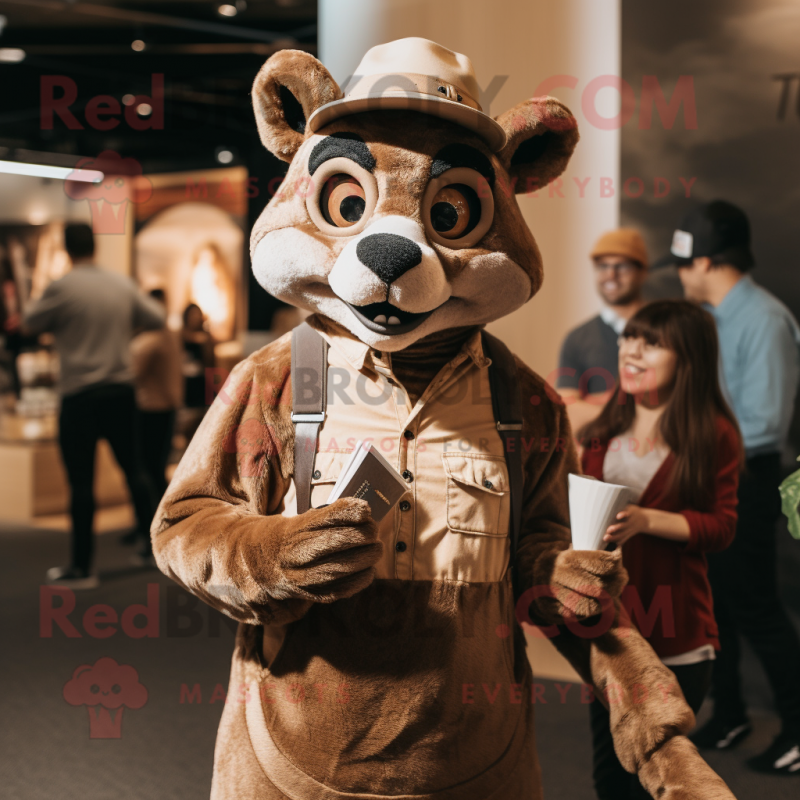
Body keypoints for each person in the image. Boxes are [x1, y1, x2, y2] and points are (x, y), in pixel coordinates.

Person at [579, 299, 742, 799]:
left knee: (664, 779)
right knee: (611, 778)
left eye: (651, 343)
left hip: (679, 638)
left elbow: (721, 527)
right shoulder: (606, 427)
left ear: (687, 358)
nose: (632, 350)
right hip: (613, 635)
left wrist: (649, 520)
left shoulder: (713, 433)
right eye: (630, 338)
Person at [659, 200, 800, 774]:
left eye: (685, 264)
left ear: (709, 262)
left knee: (759, 609)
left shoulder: (764, 320)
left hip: (747, 480)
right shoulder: (714, 318)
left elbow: (764, 422)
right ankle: (734, 712)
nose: (681, 275)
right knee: (717, 610)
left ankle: (797, 727)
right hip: (713, 480)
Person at [22, 223, 165, 588]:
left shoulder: (61, 288)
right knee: (135, 471)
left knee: (81, 482)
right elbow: (157, 318)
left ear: (67, 248)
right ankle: (154, 549)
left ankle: (83, 567)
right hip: (120, 391)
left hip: (80, 395)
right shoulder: (119, 284)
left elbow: (27, 325)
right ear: (95, 246)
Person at [557, 229, 649, 430]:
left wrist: (596, 402)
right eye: (603, 266)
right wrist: (635, 411)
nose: (611, 275)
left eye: (621, 266)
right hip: (600, 455)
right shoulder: (577, 339)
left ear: (643, 272)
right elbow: (568, 413)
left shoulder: (665, 330)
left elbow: (675, 404)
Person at [130, 288, 183, 505]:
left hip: (151, 409)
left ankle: (157, 519)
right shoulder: (168, 335)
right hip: (165, 406)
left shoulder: (151, 340)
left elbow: (131, 373)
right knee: (155, 468)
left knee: (149, 469)